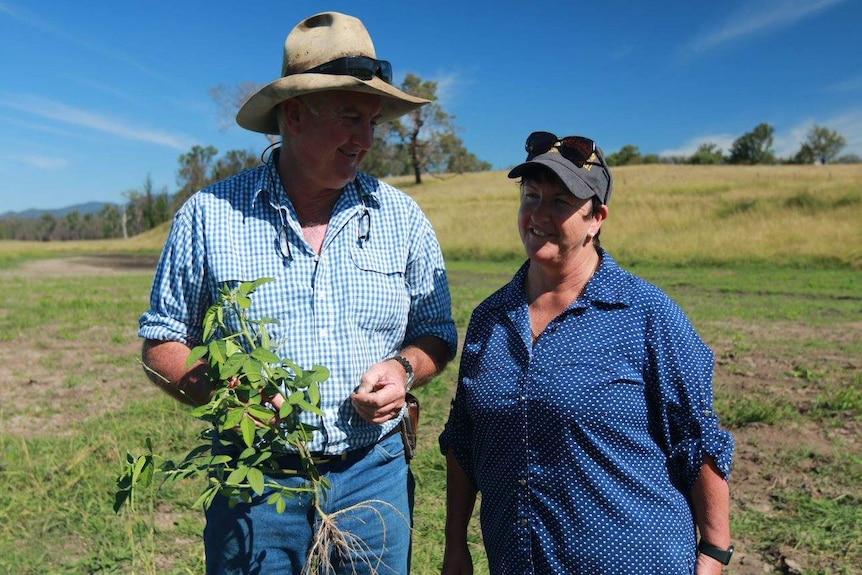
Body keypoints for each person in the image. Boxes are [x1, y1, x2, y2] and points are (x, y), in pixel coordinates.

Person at [139, 11, 458, 575]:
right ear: (294, 114)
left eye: (372, 122)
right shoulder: (210, 216)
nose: (364, 139)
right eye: (349, 118)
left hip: (374, 477)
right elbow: (161, 341)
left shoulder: (401, 218)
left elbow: (437, 331)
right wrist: (229, 395)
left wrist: (404, 370)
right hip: (256, 482)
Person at [439, 132, 734, 574]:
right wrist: (455, 546)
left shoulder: (646, 313)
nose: (538, 214)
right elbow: (464, 439)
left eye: (560, 202)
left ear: (596, 217)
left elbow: (697, 438)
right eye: (530, 196)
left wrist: (713, 553)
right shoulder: (491, 318)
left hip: (634, 560)